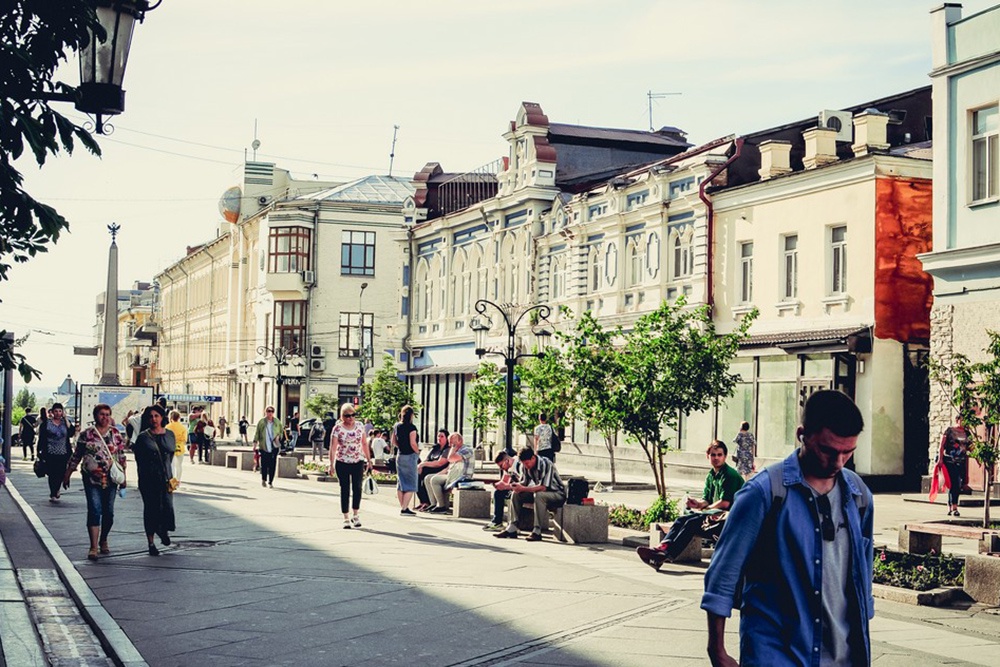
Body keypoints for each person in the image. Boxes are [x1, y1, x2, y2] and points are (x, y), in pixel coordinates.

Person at [702, 390, 873, 667]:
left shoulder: (859, 495)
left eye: (848, 452)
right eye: (828, 450)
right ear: (802, 434)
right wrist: (717, 650)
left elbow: (861, 575)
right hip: (775, 652)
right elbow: (723, 573)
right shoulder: (763, 493)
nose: (838, 462)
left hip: (841, 656)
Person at [636, 441, 744, 570]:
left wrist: (704, 509)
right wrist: (698, 504)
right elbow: (707, 500)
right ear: (707, 456)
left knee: (691, 523)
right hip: (714, 516)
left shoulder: (729, 475)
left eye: (719, 455)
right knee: (681, 519)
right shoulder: (711, 475)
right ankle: (663, 547)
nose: (716, 458)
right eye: (713, 455)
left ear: (725, 456)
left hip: (728, 520)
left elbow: (724, 503)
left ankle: (664, 555)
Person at [63, 403, 127, 561]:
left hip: (111, 479)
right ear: (95, 416)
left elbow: (121, 457)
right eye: (101, 414)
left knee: (109, 513)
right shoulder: (87, 434)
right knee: (94, 509)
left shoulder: (116, 434)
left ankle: (103, 538)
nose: (104, 417)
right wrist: (68, 473)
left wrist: (124, 478)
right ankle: (93, 546)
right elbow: (77, 455)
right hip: (91, 478)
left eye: (107, 414)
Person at [494, 446, 565, 541]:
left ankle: (537, 530)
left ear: (533, 458)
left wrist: (523, 488)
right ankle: (512, 527)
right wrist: (513, 486)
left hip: (557, 493)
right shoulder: (525, 465)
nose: (526, 466)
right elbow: (524, 482)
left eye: (527, 463)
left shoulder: (546, 463)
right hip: (540, 492)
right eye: (524, 464)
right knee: (516, 494)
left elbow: (544, 487)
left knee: (539, 495)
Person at [132, 405, 176, 556]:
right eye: (151, 416)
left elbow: (171, 456)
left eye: (157, 416)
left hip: (166, 479)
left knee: (166, 507)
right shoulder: (143, 438)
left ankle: (163, 531)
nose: (154, 419)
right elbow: (139, 460)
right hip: (149, 479)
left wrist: (171, 475)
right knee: (151, 510)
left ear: (162, 417)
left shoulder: (170, 434)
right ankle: (151, 543)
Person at [330, 403, 372, 529]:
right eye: (347, 416)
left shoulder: (359, 426)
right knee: (345, 489)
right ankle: (346, 517)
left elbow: (364, 443)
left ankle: (356, 514)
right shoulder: (337, 429)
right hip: (342, 461)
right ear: (342, 416)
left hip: (357, 460)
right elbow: (333, 448)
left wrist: (369, 460)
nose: (351, 418)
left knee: (357, 487)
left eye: (353, 415)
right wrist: (331, 464)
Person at [423, 432, 475, 513]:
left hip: (462, 477)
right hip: (452, 475)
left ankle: (441, 506)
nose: (450, 445)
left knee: (434, 480)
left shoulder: (466, 450)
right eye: (449, 442)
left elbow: (450, 459)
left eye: (452, 442)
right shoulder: (456, 451)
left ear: (460, 441)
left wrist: (453, 448)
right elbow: (448, 468)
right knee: (428, 478)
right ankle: (433, 504)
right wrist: (437, 474)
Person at [38, 403, 74, 503]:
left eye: (60, 411)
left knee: (62, 472)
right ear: (52, 412)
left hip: (63, 452)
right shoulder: (47, 423)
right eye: (56, 411)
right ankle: (53, 492)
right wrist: (39, 452)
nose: (58, 413)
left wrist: (66, 419)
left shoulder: (65, 423)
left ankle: (57, 489)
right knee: (52, 473)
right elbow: (42, 438)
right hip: (50, 452)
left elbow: (71, 433)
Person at [483, 451, 521, 531]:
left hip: (524, 489)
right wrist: (497, 485)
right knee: (498, 493)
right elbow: (504, 481)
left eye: (501, 465)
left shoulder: (518, 464)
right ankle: (497, 521)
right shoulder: (507, 467)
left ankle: (514, 524)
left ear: (506, 460)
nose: (501, 468)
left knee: (513, 494)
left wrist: (506, 486)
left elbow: (525, 482)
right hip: (514, 488)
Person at [392, 405, 420, 516]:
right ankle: (404, 508)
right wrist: (417, 451)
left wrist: (401, 446)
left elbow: (393, 441)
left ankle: (403, 507)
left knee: (401, 482)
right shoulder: (412, 428)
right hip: (410, 456)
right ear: (411, 415)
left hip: (400, 455)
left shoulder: (397, 426)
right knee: (411, 483)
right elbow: (413, 443)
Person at [939, 417, 970, 517]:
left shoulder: (966, 433)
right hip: (950, 461)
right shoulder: (950, 431)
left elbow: (970, 447)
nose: (964, 422)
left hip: (961, 461)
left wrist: (979, 459)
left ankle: (950, 505)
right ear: (957, 420)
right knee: (954, 483)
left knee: (958, 484)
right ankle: (954, 507)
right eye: (962, 420)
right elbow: (942, 445)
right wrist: (940, 458)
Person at [416, 429, 451, 511]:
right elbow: (427, 459)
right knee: (416, 477)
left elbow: (440, 463)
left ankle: (428, 502)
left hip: (439, 471)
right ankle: (423, 501)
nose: (439, 438)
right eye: (438, 436)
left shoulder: (447, 450)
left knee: (426, 477)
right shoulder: (435, 448)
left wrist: (423, 464)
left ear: (447, 438)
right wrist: (420, 466)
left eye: (442, 436)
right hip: (428, 469)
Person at [252, 406, 284, 488]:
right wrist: (255, 444)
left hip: (274, 447)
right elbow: (257, 433)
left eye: (272, 411)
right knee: (264, 465)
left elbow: (281, 432)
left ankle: (270, 482)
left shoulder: (277, 422)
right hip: (264, 447)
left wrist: (278, 437)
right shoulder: (261, 422)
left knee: (272, 465)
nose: (270, 413)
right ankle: (263, 479)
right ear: (265, 412)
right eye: (268, 411)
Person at [165, 410, 188, 482]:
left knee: (171, 464)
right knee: (179, 465)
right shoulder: (182, 427)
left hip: (170, 446)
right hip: (180, 447)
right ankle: (178, 481)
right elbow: (185, 439)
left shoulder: (167, 427)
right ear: (179, 417)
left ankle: (171, 481)